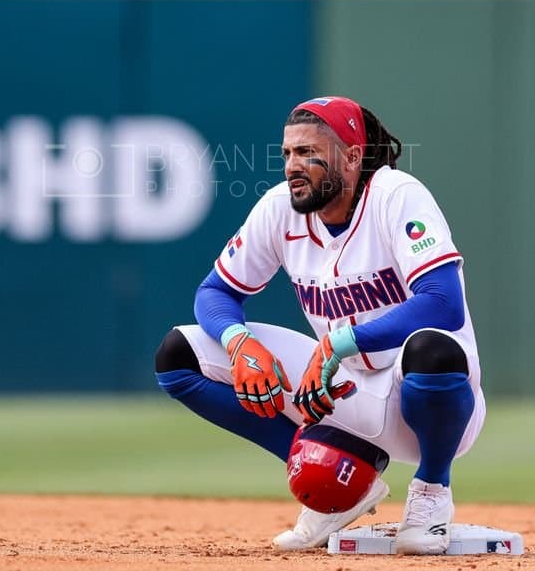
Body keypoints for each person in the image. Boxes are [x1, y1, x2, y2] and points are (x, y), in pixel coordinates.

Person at [154, 95, 485, 554]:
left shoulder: (395, 195)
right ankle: (337, 479)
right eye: (288, 153)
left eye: (309, 153)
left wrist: (337, 344)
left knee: (431, 348)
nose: (293, 165)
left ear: (352, 157)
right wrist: (238, 342)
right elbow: (215, 293)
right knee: (179, 355)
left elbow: (443, 303)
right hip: (338, 388)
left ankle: (431, 492)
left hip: (427, 399)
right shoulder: (279, 209)